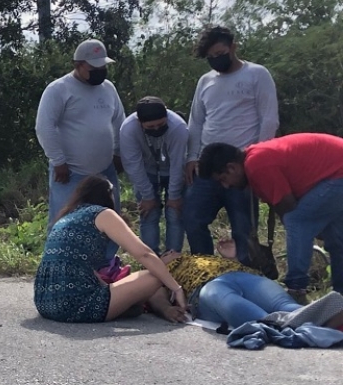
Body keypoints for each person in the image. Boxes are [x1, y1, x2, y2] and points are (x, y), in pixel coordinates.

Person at [198, 133, 343, 302]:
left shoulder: (256, 165)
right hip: (334, 173)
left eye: (223, 179)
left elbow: (288, 207)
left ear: (232, 168)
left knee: (296, 221)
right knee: (336, 240)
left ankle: (296, 290)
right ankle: (340, 295)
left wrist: (307, 229)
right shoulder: (256, 158)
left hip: (337, 174)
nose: (226, 186)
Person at [182, 26, 279, 264]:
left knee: (243, 228)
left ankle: (248, 275)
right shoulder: (205, 81)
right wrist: (192, 157)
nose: (216, 59)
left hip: (242, 167)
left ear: (233, 47)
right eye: (211, 57)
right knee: (192, 218)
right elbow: (196, 120)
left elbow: (269, 118)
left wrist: (256, 159)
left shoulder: (257, 74)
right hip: (208, 167)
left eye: (220, 53)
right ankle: (206, 271)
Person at [34, 175, 186, 323]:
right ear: (108, 194)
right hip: (73, 305)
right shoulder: (103, 214)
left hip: (44, 302)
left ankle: (124, 306)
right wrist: (176, 288)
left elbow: (84, 268)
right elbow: (144, 254)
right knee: (154, 276)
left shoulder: (66, 217)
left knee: (126, 287)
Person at [35, 39, 125, 259]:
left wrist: (117, 152)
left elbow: (118, 120)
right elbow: (44, 126)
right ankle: (59, 265)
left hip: (105, 171)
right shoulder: (59, 89)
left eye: (102, 67)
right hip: (71, 173)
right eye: (94, 68)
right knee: (65, 223)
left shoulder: (108, 88)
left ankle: (105, 268)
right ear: (78, 65)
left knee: (112, 221)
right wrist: (58, 161)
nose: (99, 72)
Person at [146, 239, 303, 328]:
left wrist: (232, 257)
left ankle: (316, 316)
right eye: (166, 254)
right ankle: (276, 326)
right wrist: (166, 309)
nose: (172, 251)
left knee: (288, 307)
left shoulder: (198, 257)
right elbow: (154, 294)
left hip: (243, 275)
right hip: (207, 287)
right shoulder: (161, 273)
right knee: (223, 298)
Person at [119, 96, 188, 255]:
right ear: (140, 123)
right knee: (149, 214)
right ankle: (150, 260)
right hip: (146, 170)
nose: (157, 129)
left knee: (175, 214)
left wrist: (175, 195)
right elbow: (133, 165)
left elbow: (178, 164)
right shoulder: (128, 129)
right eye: (151, 126)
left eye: (161, 125)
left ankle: (173, 258)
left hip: (172, 170)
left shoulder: (178, 127)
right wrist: (148, 196)